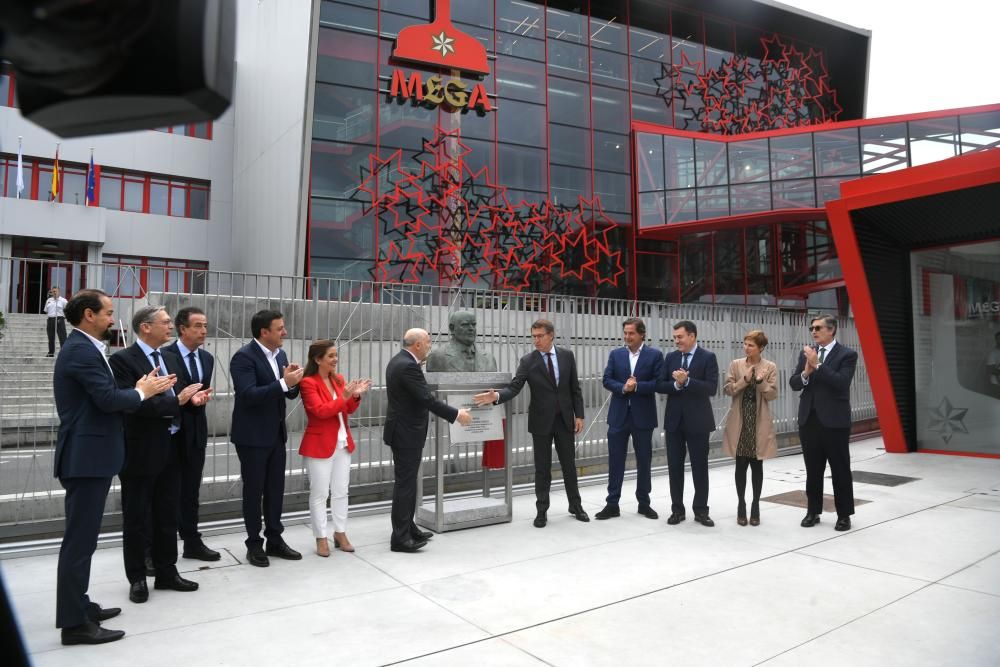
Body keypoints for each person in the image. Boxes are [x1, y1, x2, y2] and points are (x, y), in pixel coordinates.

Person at [53, 289, 175, 645]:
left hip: (92, 456)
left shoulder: (88, 348)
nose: (112, 318)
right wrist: (143, 392)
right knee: (79, 543)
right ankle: (75, 624)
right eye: (107, 312)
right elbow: (107, 400)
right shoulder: (80, 351)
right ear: (88, 315)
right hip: (86, 458)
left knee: (84, 541)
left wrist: (138, 389)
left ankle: (79, 605)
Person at [110, 306, 207, 604]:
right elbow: (132, 404)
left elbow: (173, 402)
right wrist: (176, 402)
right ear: (145, 327)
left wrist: (191, 401)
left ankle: (167, 571)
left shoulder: (169, 357)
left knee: (167, 514)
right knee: (138, 517)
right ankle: (138, 577)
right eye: (165, 323)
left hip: (171, 448)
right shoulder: (122, 361)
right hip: (140, 451)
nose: (170, 327)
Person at [473, 319, 588, 528]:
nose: (536, 340)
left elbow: (575, 389)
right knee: (542, 468)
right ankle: (542, 511)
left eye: (540, 336)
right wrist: (497, 396)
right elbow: (515, 387)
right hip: (541, 422)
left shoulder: (566, 356)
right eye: (533, 336)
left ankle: (576, 506)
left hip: (564, 421)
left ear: (551, 335)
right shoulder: (528, 361)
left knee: (569, 466)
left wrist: (579, 415)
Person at [383, 328, 472, 552]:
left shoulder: (400, 361)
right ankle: (400, 538)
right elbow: (426, 399)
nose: (431, 346)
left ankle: (407, 527)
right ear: (418, 345)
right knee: (406, 485)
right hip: (406, 433)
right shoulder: (407, 366)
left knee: (408, 483)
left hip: (404, 431)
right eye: (428, 342)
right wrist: (456, 415)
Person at [230, 310, 304, 566]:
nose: (284, 332)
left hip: (275, 434)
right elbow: (249, 394)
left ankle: (275, 539)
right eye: (280, 328)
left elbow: (287, 395)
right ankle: (254, 544)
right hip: (251, 436)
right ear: (264, 332)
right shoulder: (243, 358)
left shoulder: (280, 355)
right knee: (254, 491)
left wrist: (293, 383)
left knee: (275, 489)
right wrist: (284, 383)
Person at [299, 339, 371, 556]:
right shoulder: (308, 383)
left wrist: (355, 395)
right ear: (317, 359)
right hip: (319, 444)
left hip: (342, 443)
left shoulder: (338, 379)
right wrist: (346, 395)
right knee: (320, 493)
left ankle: (340, 533)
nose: (335, 359)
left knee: (341, 492)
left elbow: (346, 409)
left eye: (335, 355)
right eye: (330, 356)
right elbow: (320, 411)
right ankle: (321, 537)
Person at [790, 314, 859, 531]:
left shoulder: (847, 354)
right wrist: (805, 372)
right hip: (809, 420)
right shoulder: (807, 354)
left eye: (818, 327)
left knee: (840, 469)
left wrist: (818, 365)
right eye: (812, 328)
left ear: (832, 330)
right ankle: (813, 511)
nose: (814, 331)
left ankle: (844, 515)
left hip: (835, 421)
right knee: (813, 469)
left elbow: (841, 383)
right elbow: (794, 383)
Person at [161, 307, 218, 561]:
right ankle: (157, 548)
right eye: (197, 326)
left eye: (205, 325)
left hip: (195, 433)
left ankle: (192, 541)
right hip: (170, 434)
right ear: (182, 329)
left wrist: (200, 399)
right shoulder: (163, 355)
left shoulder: (206, 358)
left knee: (191, 490)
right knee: (165, 493)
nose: (203, 331)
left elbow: (201, 393)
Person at [596, 317, 663, 520]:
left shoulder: (654, 355)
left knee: (644, 460)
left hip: (643, 417)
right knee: (615, 460)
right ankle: (612, 504)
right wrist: (624, 388)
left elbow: (660, 383)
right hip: (618, 416)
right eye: (625, 333)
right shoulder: (616, 355)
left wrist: (638, 386)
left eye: (631, 333)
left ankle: (644, 503)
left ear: (641, 334)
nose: (627, 337)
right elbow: (607, 379)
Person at [657, 320, 719, 527]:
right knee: (674, 467)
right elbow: (660, 385)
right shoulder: (671, 357)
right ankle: (677, 510)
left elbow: (711, 388)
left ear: (692, 336)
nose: (676, 341)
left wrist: (688, 382)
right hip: (674, 422)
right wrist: (676, 384)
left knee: (699, 467)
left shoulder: (708, 357)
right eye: (675, 337)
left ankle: (701, 511)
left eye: (680, 337)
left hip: (698, 422)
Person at [721, 330, 778, 526]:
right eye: (745, 344)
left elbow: (772, 395)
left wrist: (760, 382)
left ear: (761, 347)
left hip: (758, 420)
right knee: (740, 465)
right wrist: (744, 380)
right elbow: (727, 389)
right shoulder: (736, 365)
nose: (746, 348)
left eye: (751, 345)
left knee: (757, 465)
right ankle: (741, 505)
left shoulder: (770, 367)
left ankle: (755, 506)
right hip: (740, 419)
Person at [425, 310, 498, 372]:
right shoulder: (437, 357)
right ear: (452, 328)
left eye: (474, 324)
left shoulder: (489, 358)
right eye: (465, 325)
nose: (471, 328)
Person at [44, 286, 68, 357]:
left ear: (59, 292)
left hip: (59, 320)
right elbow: (46, 311)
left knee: (62, 337)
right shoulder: (48, 300)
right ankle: (51, 352)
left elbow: (68, 310)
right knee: (51, 337)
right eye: (52, 291)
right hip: (50, 319)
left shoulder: (63, 301)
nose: (54, 293)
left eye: (55, 291)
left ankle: (64, 353)